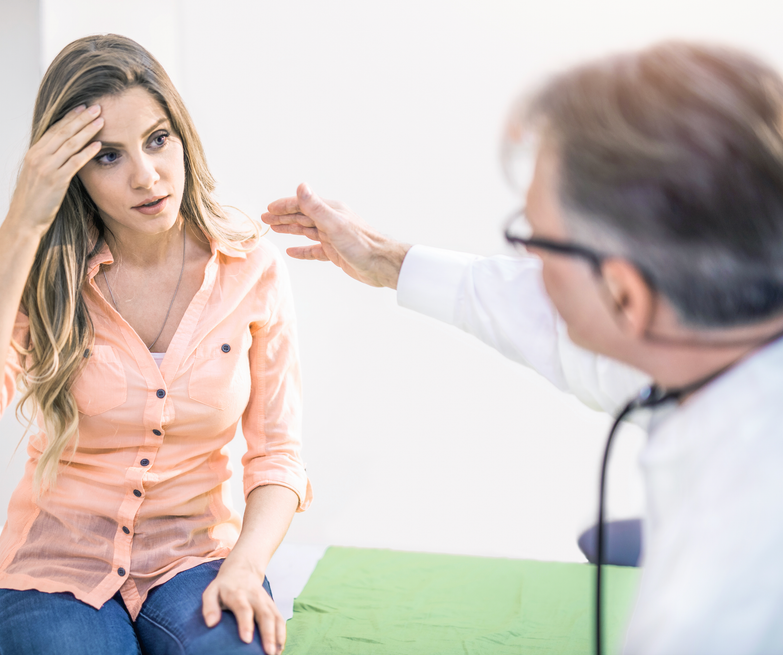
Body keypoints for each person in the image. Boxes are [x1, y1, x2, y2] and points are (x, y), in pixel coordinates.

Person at [262, 42, 783, 654]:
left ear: (626, 295)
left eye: (536, 241)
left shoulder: (735, 579)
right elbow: (536, 313)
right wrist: (381, 259)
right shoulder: (718, 350)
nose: (527, 264)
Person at [0, 34, 310, 655]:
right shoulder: (43, 269)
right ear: (72, 173)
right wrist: (23, 222)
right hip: (53, 571)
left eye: (157, 140)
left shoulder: (250, 266)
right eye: (107, 157)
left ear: (182, 134)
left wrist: (244, 564)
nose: (146, 176)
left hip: (194, 560)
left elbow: (278, 455)